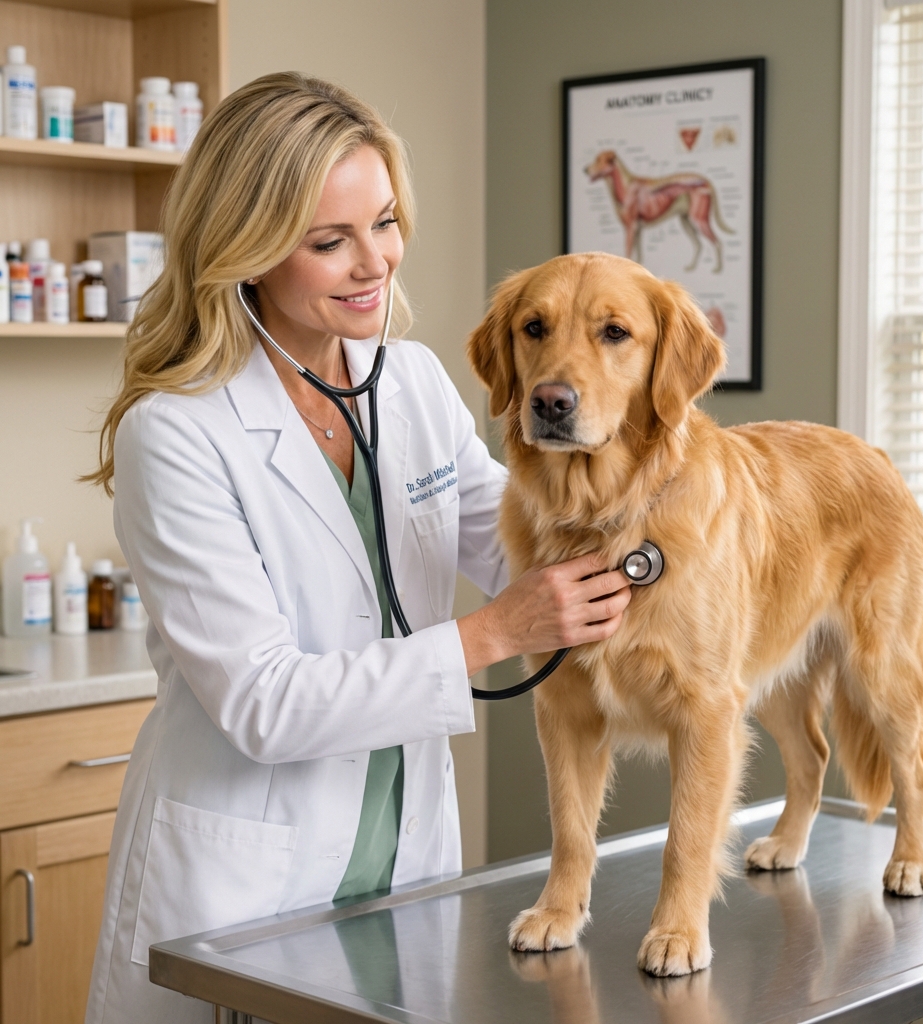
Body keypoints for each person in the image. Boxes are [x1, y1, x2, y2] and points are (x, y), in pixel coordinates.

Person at [83, 72, 632, 1023]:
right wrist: (488, 636)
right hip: (242, 882)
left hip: (400, 860)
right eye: (329, 242)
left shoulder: (409, 381)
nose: (375, 262)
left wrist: (669, 509)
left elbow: (519, 551)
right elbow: (264, 704)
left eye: (384, 222)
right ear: (243, 252)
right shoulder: (174, 433)